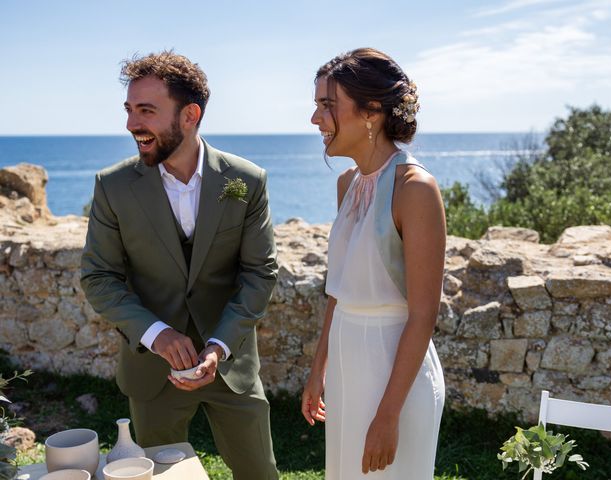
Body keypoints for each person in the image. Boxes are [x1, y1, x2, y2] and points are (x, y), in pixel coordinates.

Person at [80, 51, 279, 480]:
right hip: (153, 373)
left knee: (259, 473)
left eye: (147, 111)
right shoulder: (112, 186)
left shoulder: (246, 180)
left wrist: (220, 345)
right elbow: (99, 276)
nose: (132, 124)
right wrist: (157, 334)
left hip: (231, 367)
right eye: (130, 110)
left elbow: (259, 273)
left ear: (190, 114)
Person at [301, 48, 446, 479]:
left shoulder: (415, 188)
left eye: (327, 106)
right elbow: (338, 290)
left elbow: (423, 315)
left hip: (394, 379)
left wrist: (387, 416)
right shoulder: (348, 184)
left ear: (372, 113)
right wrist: (318, 370)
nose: (316, 119)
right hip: (347, 371)